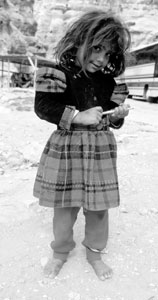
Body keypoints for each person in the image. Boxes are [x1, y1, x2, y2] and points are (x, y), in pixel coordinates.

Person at [33, 9, 131, 281]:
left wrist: (117, 116)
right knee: (64, 206)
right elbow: (43, 107)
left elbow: (109, 116)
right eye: (96, 48)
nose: (101, 58)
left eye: (109, 53)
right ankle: (60, 252)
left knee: (98, 207)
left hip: (99, 150)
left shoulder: (109, 81)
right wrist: (78, 116)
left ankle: (95, 253)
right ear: (78, 41)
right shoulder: (57, 72)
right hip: (66, 148)